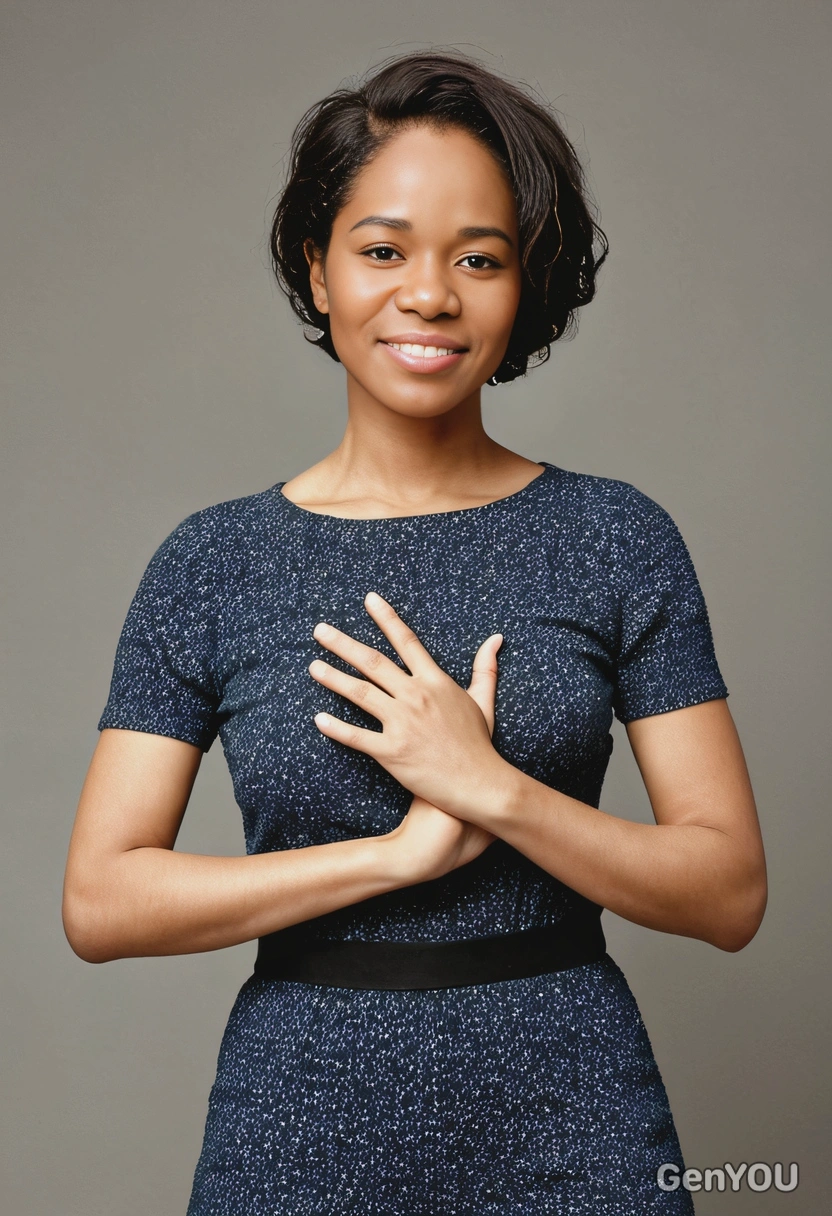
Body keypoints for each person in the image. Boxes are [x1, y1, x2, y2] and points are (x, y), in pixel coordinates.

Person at [63, 49, 767, 1215]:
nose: (430, 295)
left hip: (574, 1127)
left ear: (523, 280)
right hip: (293, 1133)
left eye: (477, 259)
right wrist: (390, 858)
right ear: (318, 268)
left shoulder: (614, 536)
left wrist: (491, 788)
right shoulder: (213, 561)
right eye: (382, 250)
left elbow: (728, 889)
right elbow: (101, 900)